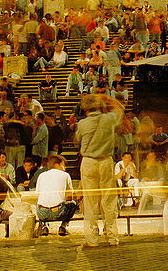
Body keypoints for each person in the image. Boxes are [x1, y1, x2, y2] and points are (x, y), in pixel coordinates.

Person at [75, 93, 123, 248]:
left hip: (88, 162)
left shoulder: (82, 124)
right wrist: (105, 98)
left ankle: (92, 240)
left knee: (90, 201)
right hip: (106, 161)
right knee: (109, 201)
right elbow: (120, 108)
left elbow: (77, 140)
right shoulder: (109, 119)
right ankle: (112, 237)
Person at [35, 154, 78, 236]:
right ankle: (63, 226)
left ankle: (44, 226)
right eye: (63, 165)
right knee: (73, 204)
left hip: (42, 213)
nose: (64, 168)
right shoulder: (65, 175)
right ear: (57, 165)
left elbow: (38, 194)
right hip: (59, 212)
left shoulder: (41, 175)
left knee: (38, 204)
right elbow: (70, 196)